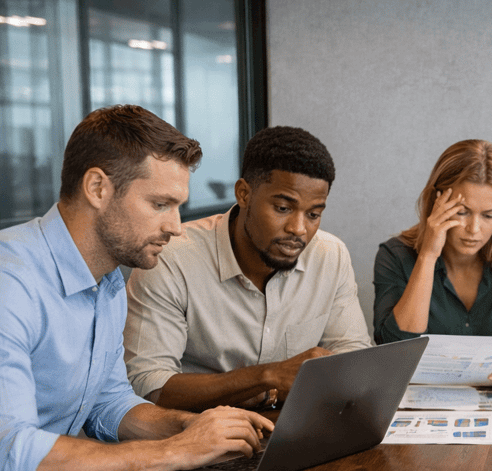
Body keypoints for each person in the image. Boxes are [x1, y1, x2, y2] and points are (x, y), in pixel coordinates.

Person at [0, 105, 272, 471]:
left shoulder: (107, 279)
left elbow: (108, 403)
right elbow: (11, 458)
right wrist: (175, 451)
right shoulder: (11, 283)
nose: (176, 227)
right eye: (160, 204)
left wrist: (193, 427)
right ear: (97, 188)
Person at [124, 126, 372, 412]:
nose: (299, 229)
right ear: (244, 194)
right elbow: (147, 384)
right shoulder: (171, 259)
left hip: (291, 429)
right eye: (282, 208)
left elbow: (352, 356)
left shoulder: (331, 255)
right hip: (195, 436)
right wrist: (267, 377)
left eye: (314, 214)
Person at [373, 139, 492, 394]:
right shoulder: (395, 255)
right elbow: (393, 351)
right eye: (462, 212)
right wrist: (427, 256)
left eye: (489, 215)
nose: (474, 230)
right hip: (420, 409)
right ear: (436, 202)